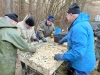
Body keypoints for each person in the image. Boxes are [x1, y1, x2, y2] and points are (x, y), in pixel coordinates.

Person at [54, 3, 96, 75]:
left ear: (70, 14)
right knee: (69, 68)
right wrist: (64, 39)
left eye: (66, 15)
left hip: (82, 65)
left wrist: (62, 56)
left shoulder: (79, 27)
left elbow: (78, 52)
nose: (66, 17)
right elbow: (73, 35)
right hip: (83, 60)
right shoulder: (81, 23)